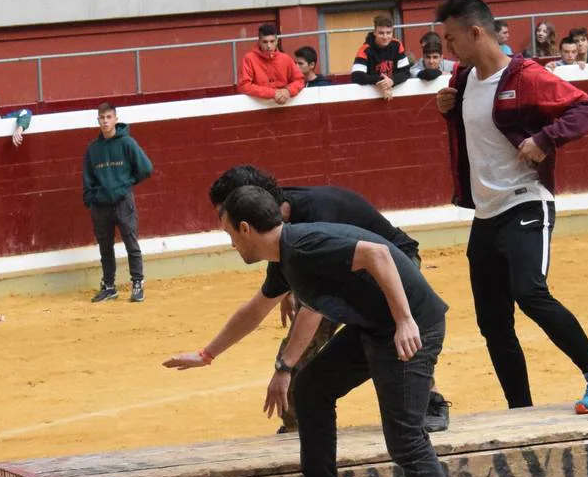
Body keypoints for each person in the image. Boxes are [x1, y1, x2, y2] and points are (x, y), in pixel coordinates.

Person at [213, 184, 473, 477]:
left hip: (409, 327)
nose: (230, 243)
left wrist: (405, 320)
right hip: (374, 327)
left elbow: (379, 253)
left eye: (228, 233)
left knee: (406, 438)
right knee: (312, 387)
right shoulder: (285, 258)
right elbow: (255, 312)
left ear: (246, 228)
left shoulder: (307, 243)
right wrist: (207, 354)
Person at [433, 0, 588, 415]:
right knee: (493, 323)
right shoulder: (462, 81)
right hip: (485, 214)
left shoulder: (527, 76)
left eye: (450, 40)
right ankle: (520, 410)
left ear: (475, 32)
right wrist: (446, 109)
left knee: (530, 292)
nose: (447, 51)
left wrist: (544, 139)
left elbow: (585, 108)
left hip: (525, 202)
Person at [170, 164, 453, 434]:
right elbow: (259, 305)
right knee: (308, 355)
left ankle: (430, 399)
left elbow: (318, 302)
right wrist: (208, 354)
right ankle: (303, 424)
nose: (225, 223)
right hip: (353, 271)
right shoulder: (279, 223)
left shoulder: (313, 217)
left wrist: (284, 366)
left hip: (395, 262)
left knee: (390, 332)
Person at [82, 101, 154, 304]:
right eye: (102, 118)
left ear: (115, 119)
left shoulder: (127, 143)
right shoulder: (93, 149)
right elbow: (87, 178)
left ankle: (137, 283)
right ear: (98, 121)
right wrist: (92, 200)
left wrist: (126, 184)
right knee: (105, 247)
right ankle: (109, 286)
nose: (105, 122)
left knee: (131, 243)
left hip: (123, 201)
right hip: (101, 205)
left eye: (108, 118)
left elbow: (146, 168)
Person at [238, 23, 306, 105]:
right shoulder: (249, 58)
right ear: (259, 42)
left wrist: (288, 91)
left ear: (277, 41)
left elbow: (300, 80)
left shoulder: (286, 58)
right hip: (259, 106)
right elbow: (244, 86)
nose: (269, 46)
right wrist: (273, 93)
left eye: (272, 41)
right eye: (265, 42)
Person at [349, 15, 408, 96]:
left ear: (392, 32)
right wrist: (382, 82)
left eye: (388, 33)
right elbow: (357, 76)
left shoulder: (397, 45)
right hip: (370, 95)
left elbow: (406, 72)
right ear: (374, 32)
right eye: (381, 33)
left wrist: (392, 81)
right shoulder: (365, 49)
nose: (385, 37)